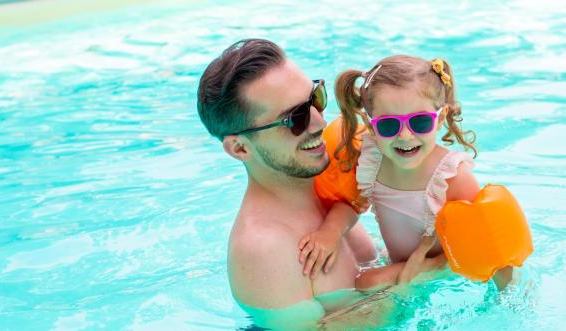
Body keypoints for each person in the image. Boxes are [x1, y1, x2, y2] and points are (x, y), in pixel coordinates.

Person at [197, 39, 446, 312]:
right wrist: (430, 272)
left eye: (315, 99)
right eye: (295, 118)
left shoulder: (327, 186)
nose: (319, 122)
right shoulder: (264, 247)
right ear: (240, 148)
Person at [298, 55, 513, 289]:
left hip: (445, 268)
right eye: (389, 125)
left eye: (419, 122)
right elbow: (352, 203)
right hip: (400, 262)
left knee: (367, 282)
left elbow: (486, 241)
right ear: (372, 125)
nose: (405, 136)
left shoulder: (451, 176)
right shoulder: (371, 157)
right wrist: (330, 232)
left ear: (440, 118)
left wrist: (505, 294)